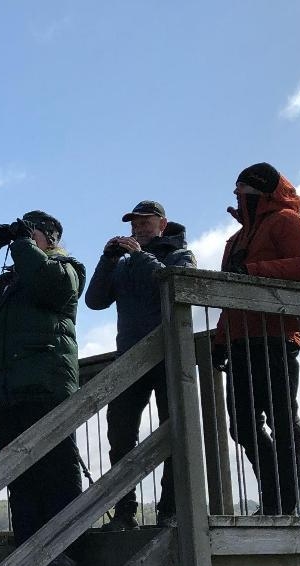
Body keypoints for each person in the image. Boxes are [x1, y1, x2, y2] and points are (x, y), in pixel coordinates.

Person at [0, 210, 84, 566]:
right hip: (8, 388)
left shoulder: (67, 268)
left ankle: (65, 546)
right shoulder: (9, 283)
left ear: (49, 238)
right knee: (20, 475)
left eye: (31, 234)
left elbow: (52, 286)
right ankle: (29, 549)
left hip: (47, 385)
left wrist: (23, 244)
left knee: (57, 469)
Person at [213, 162, 300, 515]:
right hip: (240, 340)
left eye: (241, 191)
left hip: (276, 336)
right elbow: (230, 293)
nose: (236, 197)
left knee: (282, 422)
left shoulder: (288, 221)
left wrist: (253, 271)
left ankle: (284, 503)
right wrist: (219, 339)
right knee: (242, 426)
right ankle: (276, 495)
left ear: (258, 194)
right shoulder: (237, 238)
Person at [85, 201, 196, 530]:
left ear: (162, 224)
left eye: (145, 222)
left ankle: (171, 511)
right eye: (135, 223)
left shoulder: (178, 254)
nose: (138, 228)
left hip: (170, 356)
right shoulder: (122, 263)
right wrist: (108, 260)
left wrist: (139, 256)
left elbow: (180, 285)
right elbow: (94, 301)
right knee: (120, 435)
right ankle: (124, 512)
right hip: (130, 359)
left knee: (174, 432)